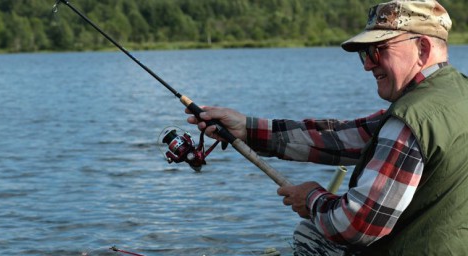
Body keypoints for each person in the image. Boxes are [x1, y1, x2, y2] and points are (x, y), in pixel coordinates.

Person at [186, 0, 468, 255]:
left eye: (377, 51)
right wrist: (246, 129)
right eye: (364, 54)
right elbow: (341, 138)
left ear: (423, 48)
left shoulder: (411, 120)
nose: (368, 65)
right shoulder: (456, 94)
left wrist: (310, 199)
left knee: (311, 234)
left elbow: (357, 224)